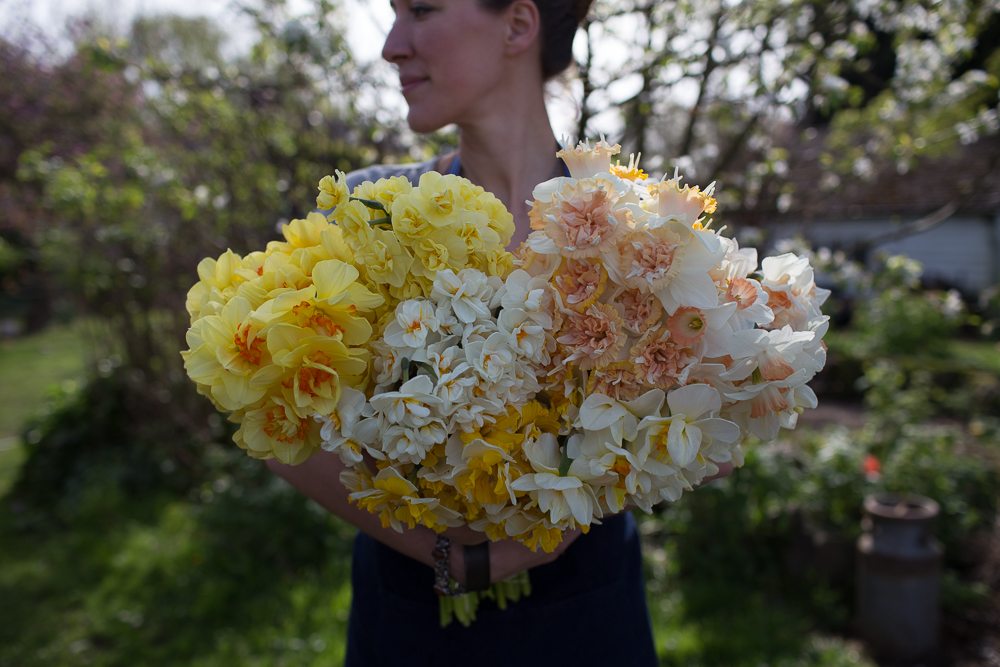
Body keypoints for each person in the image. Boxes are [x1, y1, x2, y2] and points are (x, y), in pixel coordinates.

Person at [267, 1, 662, 664]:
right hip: (412, 618)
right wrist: (460, 557)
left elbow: (702, 429)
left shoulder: (637, 234)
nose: (393, 45)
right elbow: (279, 428)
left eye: (421, 9)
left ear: (517, 23)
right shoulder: (368, 216)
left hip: (590, 616)